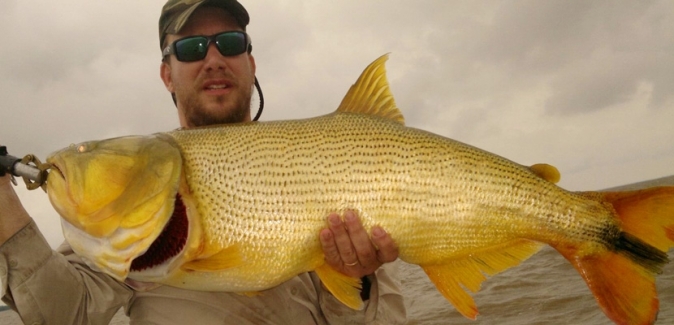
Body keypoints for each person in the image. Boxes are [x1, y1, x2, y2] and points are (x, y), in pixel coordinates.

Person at [0, 0, 407, 323]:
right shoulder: (139, 193)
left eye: (230, 43)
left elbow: (381, 320)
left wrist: (360, 276)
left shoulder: (338, 170)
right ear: (167, 74)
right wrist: (5, 208)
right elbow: (66, 313)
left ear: (251, 63)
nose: (213, 59)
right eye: (191, 48)